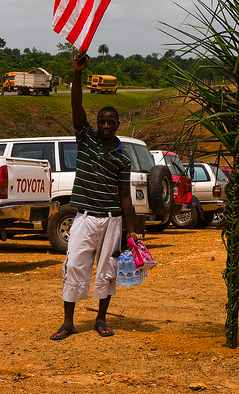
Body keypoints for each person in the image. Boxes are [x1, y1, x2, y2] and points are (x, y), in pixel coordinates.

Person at [50, 49, 138, 340]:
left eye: (111, 121)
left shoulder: (123, 160)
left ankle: (101, 319)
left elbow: (125, 196)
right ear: (97, 123)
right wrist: (77, 72)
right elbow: (76, 106)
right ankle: (68, 322)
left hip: (112, 220)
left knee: (107, 269)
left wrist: (132, 231)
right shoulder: (85, 138)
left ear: (117, 125)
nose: (106, 124)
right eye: (102, 120)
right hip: (85, 218)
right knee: (74, 264)